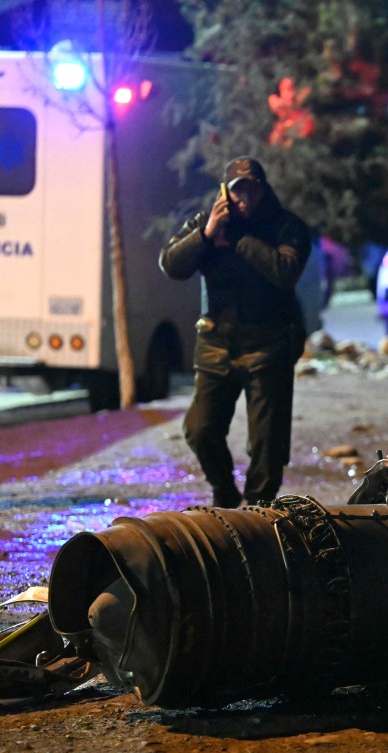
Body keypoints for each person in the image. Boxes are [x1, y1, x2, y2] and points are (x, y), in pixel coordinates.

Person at [159, 157, 312, 508]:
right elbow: (171, 264)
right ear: (225, 192)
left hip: (268, 343)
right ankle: (223, 491)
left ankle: (259, 508)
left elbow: (285, 270)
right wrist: (205, 235)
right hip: (216, 344)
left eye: (251, 188)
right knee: (199, 429)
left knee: (267, 443)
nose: (245, 197)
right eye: (237, 189)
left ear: (263, 189)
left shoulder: (286, 227)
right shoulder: (210, 223)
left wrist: (240, 239)